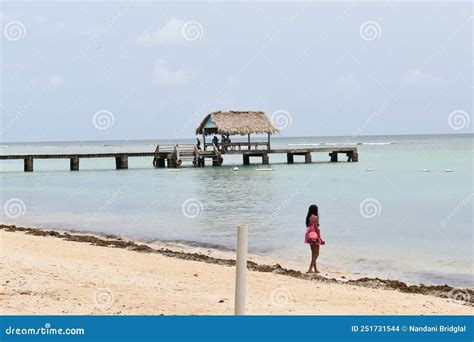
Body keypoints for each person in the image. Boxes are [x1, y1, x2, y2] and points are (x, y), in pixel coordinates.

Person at [304, 204, 325, 273]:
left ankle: (315, 269)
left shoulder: (309, 217)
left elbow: (309, 227)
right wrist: (320, 239)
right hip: (314, 237)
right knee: (316, 254)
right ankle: (310, 269)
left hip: (309, 236)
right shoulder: (315, 217)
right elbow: (316, 228)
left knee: (313, 254)